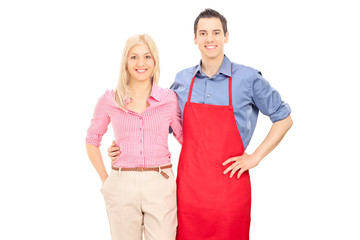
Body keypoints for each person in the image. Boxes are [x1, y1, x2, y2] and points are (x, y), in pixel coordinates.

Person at [108, 9, 293, 240]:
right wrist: (124, 145)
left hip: (230, 189)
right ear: (195, 38)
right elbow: (160, 125)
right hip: (189, 192)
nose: (210, 39)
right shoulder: (183, 80)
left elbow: (284, 118)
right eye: (203, 33)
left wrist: (256, 156)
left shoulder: (248, 79)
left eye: (216, 32)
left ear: (226, 36)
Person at [85, 34, 183, 240]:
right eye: (134, 57)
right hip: (122, 182)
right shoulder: (110, 99)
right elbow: (92, 140)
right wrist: (106, 181)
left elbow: (185, 138)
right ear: (125, 62)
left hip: (160, 181)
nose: (141, 63)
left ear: (155, 61)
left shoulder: (169, 99)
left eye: (147, 57)